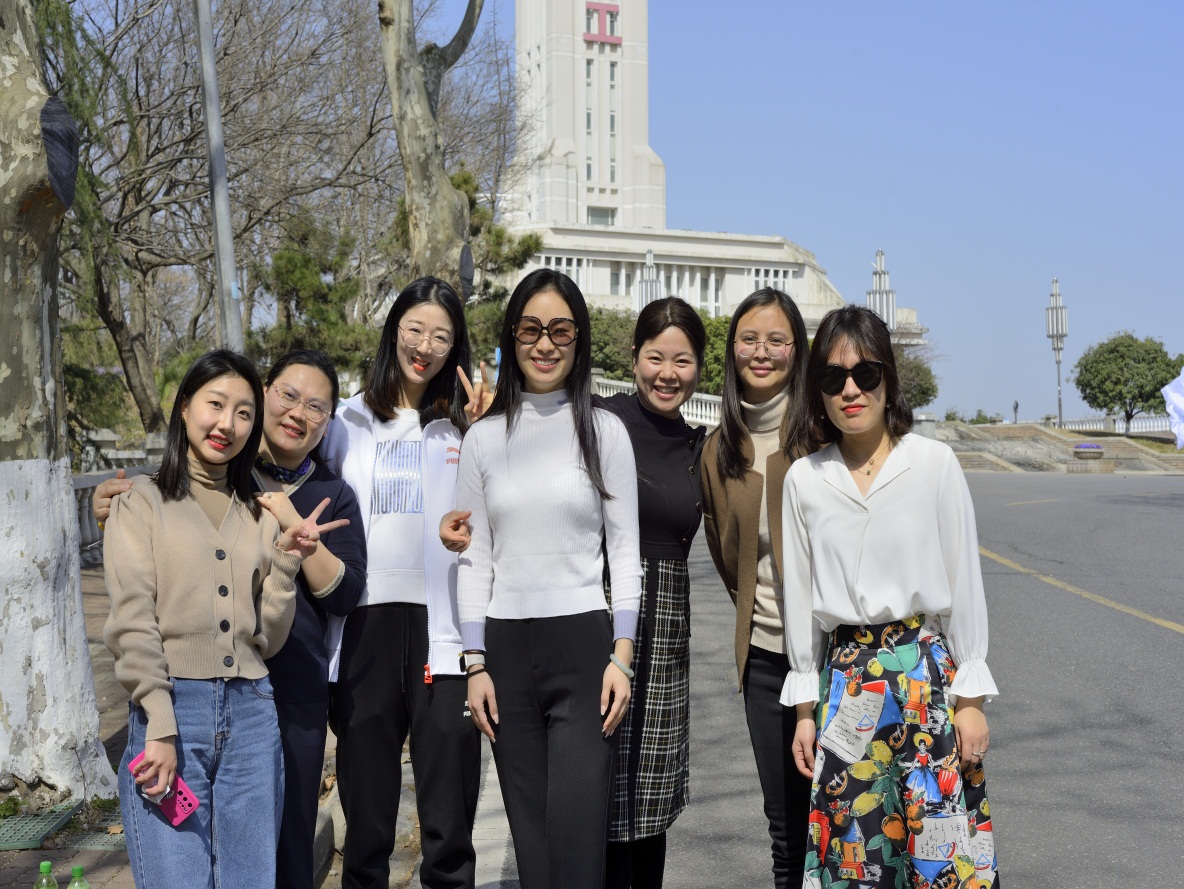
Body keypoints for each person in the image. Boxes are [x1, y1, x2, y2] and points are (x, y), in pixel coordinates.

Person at [94, 349, 368, 889]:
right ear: (184, 406)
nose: (228, 423)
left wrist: (287, 562)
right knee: (178, 877)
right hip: (174, 710)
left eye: (243, 413)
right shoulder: (139, 502)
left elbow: (268, 637)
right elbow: (131, 622)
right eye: (215, 405)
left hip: (253, 715)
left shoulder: (259, 510)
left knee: (253, 878)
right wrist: (159, 724)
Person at [782, 306, 999, 889]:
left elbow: (963, 583)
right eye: (833, 377)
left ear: (888, 378)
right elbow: (798, 601)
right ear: (817, 390)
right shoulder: (804, 479)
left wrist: (971, 700)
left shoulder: (932, 464)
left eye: (866, 373)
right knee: (856, 851)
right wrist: (804, 712)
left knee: (940, 853)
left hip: (925, 676)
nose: (850, 390)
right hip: (848, 684)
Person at [455, 268, 641, 889]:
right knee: (532, 847)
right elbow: (475, 557)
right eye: (530, 328)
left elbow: (624, 550)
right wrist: (474, 664)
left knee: (579, 844)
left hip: (583, 649)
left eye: (560, 329)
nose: (544, 343)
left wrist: (621, 658)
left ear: (578, 339)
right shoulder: (483, 440)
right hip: (506, 651)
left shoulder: (605, 432)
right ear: (512, 336)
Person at [321, 276, 487, 889]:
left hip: (447, 630)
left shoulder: (464, 425)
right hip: (364, 626)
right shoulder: (344, 421)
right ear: (394, 331)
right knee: (367, 818)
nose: (425, 346)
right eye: (415, 329)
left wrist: (489, 431)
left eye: (441, 337)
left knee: (449, 818)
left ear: (455, 347)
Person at [699, 288, 814, 889]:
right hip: (766, 660)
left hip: (840, 659)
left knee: (853, 818)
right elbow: (727, 557)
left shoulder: (824, 433)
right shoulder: (717, 450)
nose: (761, 352)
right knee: (787, 829)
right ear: (732, 350)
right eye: (749, 339)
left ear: (797, 350)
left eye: (776, 340)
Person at [595, 297, 707, 889]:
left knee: (650, 798)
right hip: (600, 615)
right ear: (635, 357)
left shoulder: (698, 446)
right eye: (655, 357)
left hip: (666, 629)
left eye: (682, 361)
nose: (668, 373)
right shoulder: (597, 419)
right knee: (598, 780)